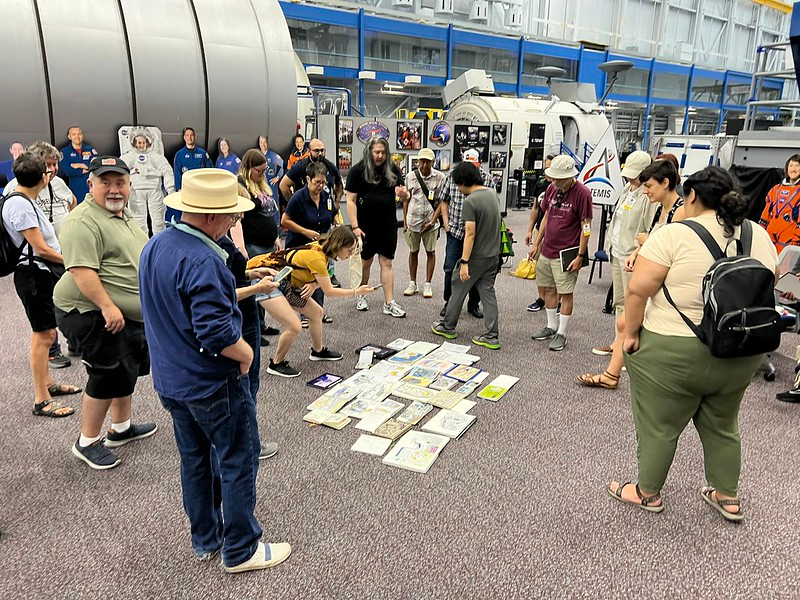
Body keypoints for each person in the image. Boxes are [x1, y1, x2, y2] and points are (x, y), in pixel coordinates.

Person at [139, 168, 291, 572]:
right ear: (210, 217)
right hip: (211, 382)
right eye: (231, 216)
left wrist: (240, 280)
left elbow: (172, 305)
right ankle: (240, 548)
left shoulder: (156, 245)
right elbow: (215, 331)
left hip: (172, 380)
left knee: (194, 459)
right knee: (238, 458)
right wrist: (245, 355)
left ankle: (205, 538)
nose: (234, 222)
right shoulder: (204, 258)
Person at [608, 166, 778, 522]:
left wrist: (632, 334)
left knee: (660, 424)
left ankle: (647, 492)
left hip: (675, 352)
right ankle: (727, 496)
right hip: (740, 351)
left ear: (692, 197)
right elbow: (767, 283)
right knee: (723, 423)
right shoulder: (758, 235)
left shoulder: (673, 235)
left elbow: (638, 290)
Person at [54, 156, 156, 470]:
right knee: (106, 374)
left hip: (123, 313)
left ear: (129, 185)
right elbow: (82, 271)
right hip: (91, 312)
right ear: (91, 185)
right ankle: (86, 442)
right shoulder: (82, 220)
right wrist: (108, 306)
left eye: (119, 182)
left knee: (126, 370)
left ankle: (121, 428)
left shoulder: (122, 215)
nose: (113, 189)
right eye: (105, 182)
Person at [3, 154, 81, 417]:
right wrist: (73, 262)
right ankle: (41, 399)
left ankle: (48, 384)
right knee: (44, 336)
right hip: (33, 276)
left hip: (39, 274)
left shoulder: (24, 199)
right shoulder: (21, 205)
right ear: (42, 177)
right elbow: (40, 249)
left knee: (45, 333)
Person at [246, 226, 376, 377]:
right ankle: (276, 364)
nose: (352, 253)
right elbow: (330, 291)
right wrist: (357, 292)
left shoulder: (323, 249)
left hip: (284, 281)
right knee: (294, 326)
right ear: (339, 245)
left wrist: (314, 284)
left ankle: (318, 351)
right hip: (264, 280)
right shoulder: (317, 258)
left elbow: (320, 278)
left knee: (316, 313)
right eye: (350, 249)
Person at [578, 151, 653, 388]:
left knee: (632, 303)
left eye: (635, 176)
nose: (631, 180)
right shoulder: (626, 190)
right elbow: (617, 220)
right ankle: (616, 344)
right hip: (617, 251)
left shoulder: (648, 196)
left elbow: (649, 230)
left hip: (632, 255)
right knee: (619, 301)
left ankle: (626, 348)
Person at [431, 161, 501, 350]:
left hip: (476, 256)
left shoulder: (470, 201)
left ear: (462, 182)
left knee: (458, 285)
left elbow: (469, 234)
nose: (457, 189)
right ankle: (492, 335)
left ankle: (448, 326)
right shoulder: (492, 194)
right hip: (493, 255)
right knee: (487, 293)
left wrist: (464, 262)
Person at [529, 155, 593, 352]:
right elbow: (546, 216)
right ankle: (551, 326)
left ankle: (562, 333)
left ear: (569, 176)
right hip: (547, 249)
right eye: (553, 178)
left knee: (565, 293)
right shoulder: (551, 188)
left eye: (558, 179)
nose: (554, 182)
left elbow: (586, 226)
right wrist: (536, 244)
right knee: (548, 289)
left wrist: (580, 256)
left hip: (567, 252)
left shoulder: (582, 193)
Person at [345, 136, 410, 317]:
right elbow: (350, 201)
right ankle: (361, 295)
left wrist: (404, 194)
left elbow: (405, 197)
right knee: (366, 262)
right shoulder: (357, 171)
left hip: (388, 224)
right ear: (369, 152)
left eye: (383, 152)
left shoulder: (393, 169)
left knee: (387, 262)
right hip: (365, 226)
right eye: (377, 152)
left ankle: (389, 302)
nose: (380, 156)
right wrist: (355, 226)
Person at [439, 149, 493, 320]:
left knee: (475, 271)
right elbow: (444, 200)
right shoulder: (451, 177)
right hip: (455, 231)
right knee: (450, 269)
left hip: (477, 236)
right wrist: (446, 224)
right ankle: (449, 302)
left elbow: (491, 208)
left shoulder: (488, 179)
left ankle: (473, 304)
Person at [281, 162, 338, 320]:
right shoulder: (298, 197)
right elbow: (284, 221)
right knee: (304, 280)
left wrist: (337, 223)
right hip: (300, 246)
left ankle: (319, 311)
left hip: (319, 248)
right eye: (317, 182)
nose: (321, 185)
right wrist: (305, 231)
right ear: (308, 179)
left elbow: (333, 213)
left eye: (323, 182)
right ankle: (306, 313)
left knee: (319, 278)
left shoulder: (326, 197)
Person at [402, 148, 446, 299]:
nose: (424, 164)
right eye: (422, 161)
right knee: (413, 251)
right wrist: (405, 222)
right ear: (418, 161)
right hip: (413, 220)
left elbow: (441, 202)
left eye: (427, 161)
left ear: (433, 162)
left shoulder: (440, 177)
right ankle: (412, 283)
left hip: (430, 222)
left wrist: (433, 221)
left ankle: (428, 284)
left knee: (430, 252)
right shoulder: (410, 177)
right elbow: (406, 200)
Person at [120, 130, 174, 235]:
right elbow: (121, 169)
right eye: (139, 143)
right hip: (136, 191)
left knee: (158, 221)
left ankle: (159, 244)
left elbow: (166, 169)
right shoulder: (130, 156)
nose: (141, 145)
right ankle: (142, 246)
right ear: (134, 143)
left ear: (148, 142)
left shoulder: (154, 156)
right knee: (139, 223)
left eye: (143, 142)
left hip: (154, 190)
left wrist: (170, 189)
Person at [279, 138, 343, 212]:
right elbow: (283, 185)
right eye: (316, 151)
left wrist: (337, 201)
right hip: (305, 210)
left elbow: (339, 183)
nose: (320, 153)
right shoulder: (301, 166)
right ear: (309, 151)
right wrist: (293, 204)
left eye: (322, 150)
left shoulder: (330, 166)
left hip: (325, 210)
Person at [525, 155, 554, 312]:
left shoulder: (561, 187)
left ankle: (558, 300)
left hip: (557, 232)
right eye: (545, 168)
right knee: (540, 265)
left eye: (550, 168)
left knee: (555, 267)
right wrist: (529, 230)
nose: (547, 171)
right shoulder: (541, 184)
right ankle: (541, 298)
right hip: (540, 227)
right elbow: (536, 208)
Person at [759, 153, 800, 255]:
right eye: (791, 165)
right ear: (786, 168)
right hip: (770, 238)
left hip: (789, 241)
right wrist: (760, 231)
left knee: (785, 269)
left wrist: (796, 238)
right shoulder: (775, 189)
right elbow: (766, 213)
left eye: (797, 166)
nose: (793, 169)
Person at [171, 126, 212, 223]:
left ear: (195, 137)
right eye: (187, 135)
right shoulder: (179, 155)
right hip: (187, 190)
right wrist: (179, 189)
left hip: (201, 190)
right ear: (184, 138)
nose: (189, 137)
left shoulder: (202, 153)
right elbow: (177, 172)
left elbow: (210, 170)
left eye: (191, 135)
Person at [59, 126, 97, 203]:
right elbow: (68, 171)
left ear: (82, 136)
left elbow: (96, 165)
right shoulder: (65, 152)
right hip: (76, 190)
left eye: (79, 134)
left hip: (91, 189)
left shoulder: (90, 149)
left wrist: (78, 165)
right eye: (74, 134)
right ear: (69, 137)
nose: (77, 137)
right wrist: (86, 168)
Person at [258, 135, 284, 201]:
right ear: (259, 144)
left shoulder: (273, 155)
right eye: (261, 142)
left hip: (271, 185)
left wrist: (277, 177)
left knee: (274, 204)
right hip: (260, 185)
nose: (263, 144)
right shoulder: (256, 155)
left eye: (265, 142)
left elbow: (282, 165)